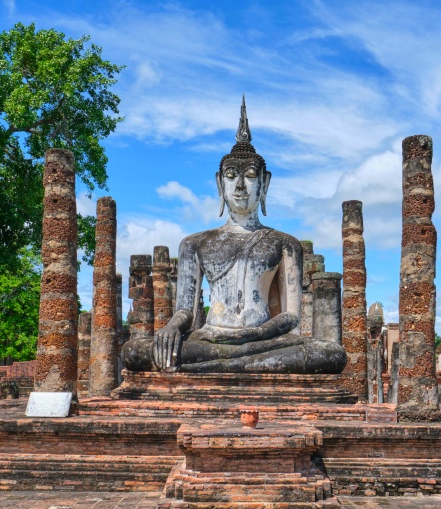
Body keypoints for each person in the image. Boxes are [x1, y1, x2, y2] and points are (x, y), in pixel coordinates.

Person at [121, 98, 346, 374]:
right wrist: (171, 327)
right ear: (220, 183)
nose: (240, 186)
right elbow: (186, 312)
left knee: (329, 354)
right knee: (134, 351)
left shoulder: (285, 243)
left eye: (250, 176)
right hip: (210, 338)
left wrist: (253, 335)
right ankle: (235, 365)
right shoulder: (195, 244)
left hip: (264, 340)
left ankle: (216, 367)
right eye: (231, 176)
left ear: (265, 182)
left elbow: (290, 316)